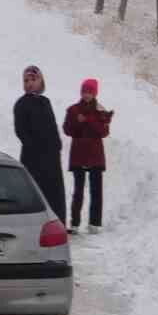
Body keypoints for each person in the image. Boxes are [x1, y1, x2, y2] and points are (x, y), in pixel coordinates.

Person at [13, 65, 67, 223]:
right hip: (33, 159)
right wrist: (35, 148)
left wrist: (57, 145)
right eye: (26, 80)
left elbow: (52, 125)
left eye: (33, 79)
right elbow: (21, 131)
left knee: (54, 193)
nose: (29, 83)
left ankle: (58, 226)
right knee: (36, 194)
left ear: (41, 81)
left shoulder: (45, 101)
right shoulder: (21, 104)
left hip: (51, 158)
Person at [62, 79, 113, 234]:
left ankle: (95, 223)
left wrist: (90, 120)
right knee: (78, 191)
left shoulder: (101, 110)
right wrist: (78, 123)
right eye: (84, 91)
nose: (87, 95)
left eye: (90, 92)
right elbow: (67, 130)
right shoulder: (73, 110)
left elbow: (104, 132)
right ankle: (75, 223)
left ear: (95, 93)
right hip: (78, 154)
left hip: (95, 155)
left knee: (96, 191)